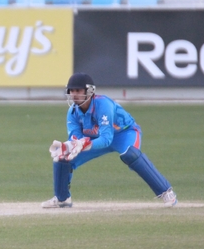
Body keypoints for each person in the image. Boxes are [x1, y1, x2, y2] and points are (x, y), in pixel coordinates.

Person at [41, 72, 177, 209]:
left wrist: (85, 144)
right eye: (72, 90)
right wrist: (70, 145)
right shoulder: (72, 112)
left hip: (123, 133)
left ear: (89, 91)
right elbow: (76, 138)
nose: (74, 94)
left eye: (78, 90)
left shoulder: (103, 105)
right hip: (95, 138)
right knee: (63, 157)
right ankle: (62, 198)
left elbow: (106, 139)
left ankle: (166, 191)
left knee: (130, 154)